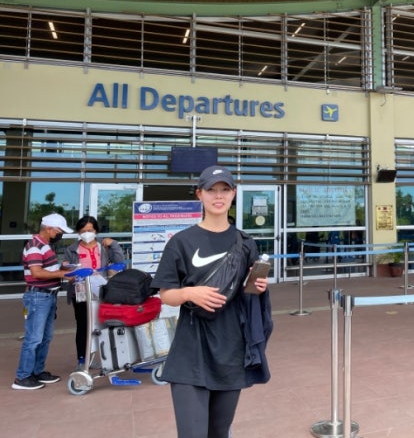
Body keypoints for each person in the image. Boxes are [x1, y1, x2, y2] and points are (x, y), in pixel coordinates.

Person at [152, 165, 271, 438]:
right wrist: (190, 293)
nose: (218, 196)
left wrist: (258, 287)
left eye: (224, 190)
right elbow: (165, 293)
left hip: (231, 351)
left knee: (219, 432)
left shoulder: (245, 243)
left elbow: (248, 295)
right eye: (211, 190)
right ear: (200, 195)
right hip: (190, 350)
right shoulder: (181, 242)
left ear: (233, 194)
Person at [12, 213, 74, 390]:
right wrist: (62, 274)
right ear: (48, 228)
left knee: (45, 337)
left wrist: (63, 268)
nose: (60, 234)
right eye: (59, 231)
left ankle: (37, 371)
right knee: (34, 338)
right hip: (38, 297)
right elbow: (36, 273)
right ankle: (23, 376)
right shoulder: (34, 246)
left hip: (48, 296)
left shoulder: (45, 246)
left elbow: (48, 269)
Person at [63, 215, 125, 367]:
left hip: (101, 290)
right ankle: (82, 360)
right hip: (81, 292)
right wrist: (67, 268)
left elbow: (119, 262)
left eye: (90, 230)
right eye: (83, 230)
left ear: (96, 231)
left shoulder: (103, 247)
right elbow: (66, 269)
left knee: (102, 325)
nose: (86, 233)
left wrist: (114, 244)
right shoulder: (72, 249)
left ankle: (104, 358)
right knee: (84, 326)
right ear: (78, 232)